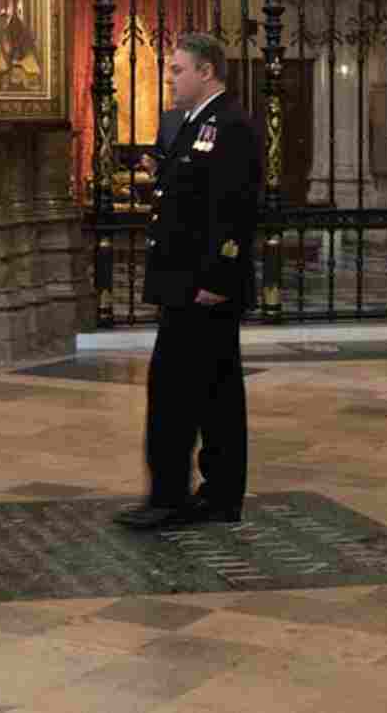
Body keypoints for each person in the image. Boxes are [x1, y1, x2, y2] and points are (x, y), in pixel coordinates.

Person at [115, 33, 260, 531]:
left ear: (208, 71)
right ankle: (219, 495)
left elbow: (237, 209)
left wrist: (220, 276)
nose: (170, 76)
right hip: (184, 280)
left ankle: (169, 497)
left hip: (205, 284)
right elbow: (187, 191)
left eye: (178, 69)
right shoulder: (188, 123)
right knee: (215, 392)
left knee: (174, 392)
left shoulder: (232, 125)